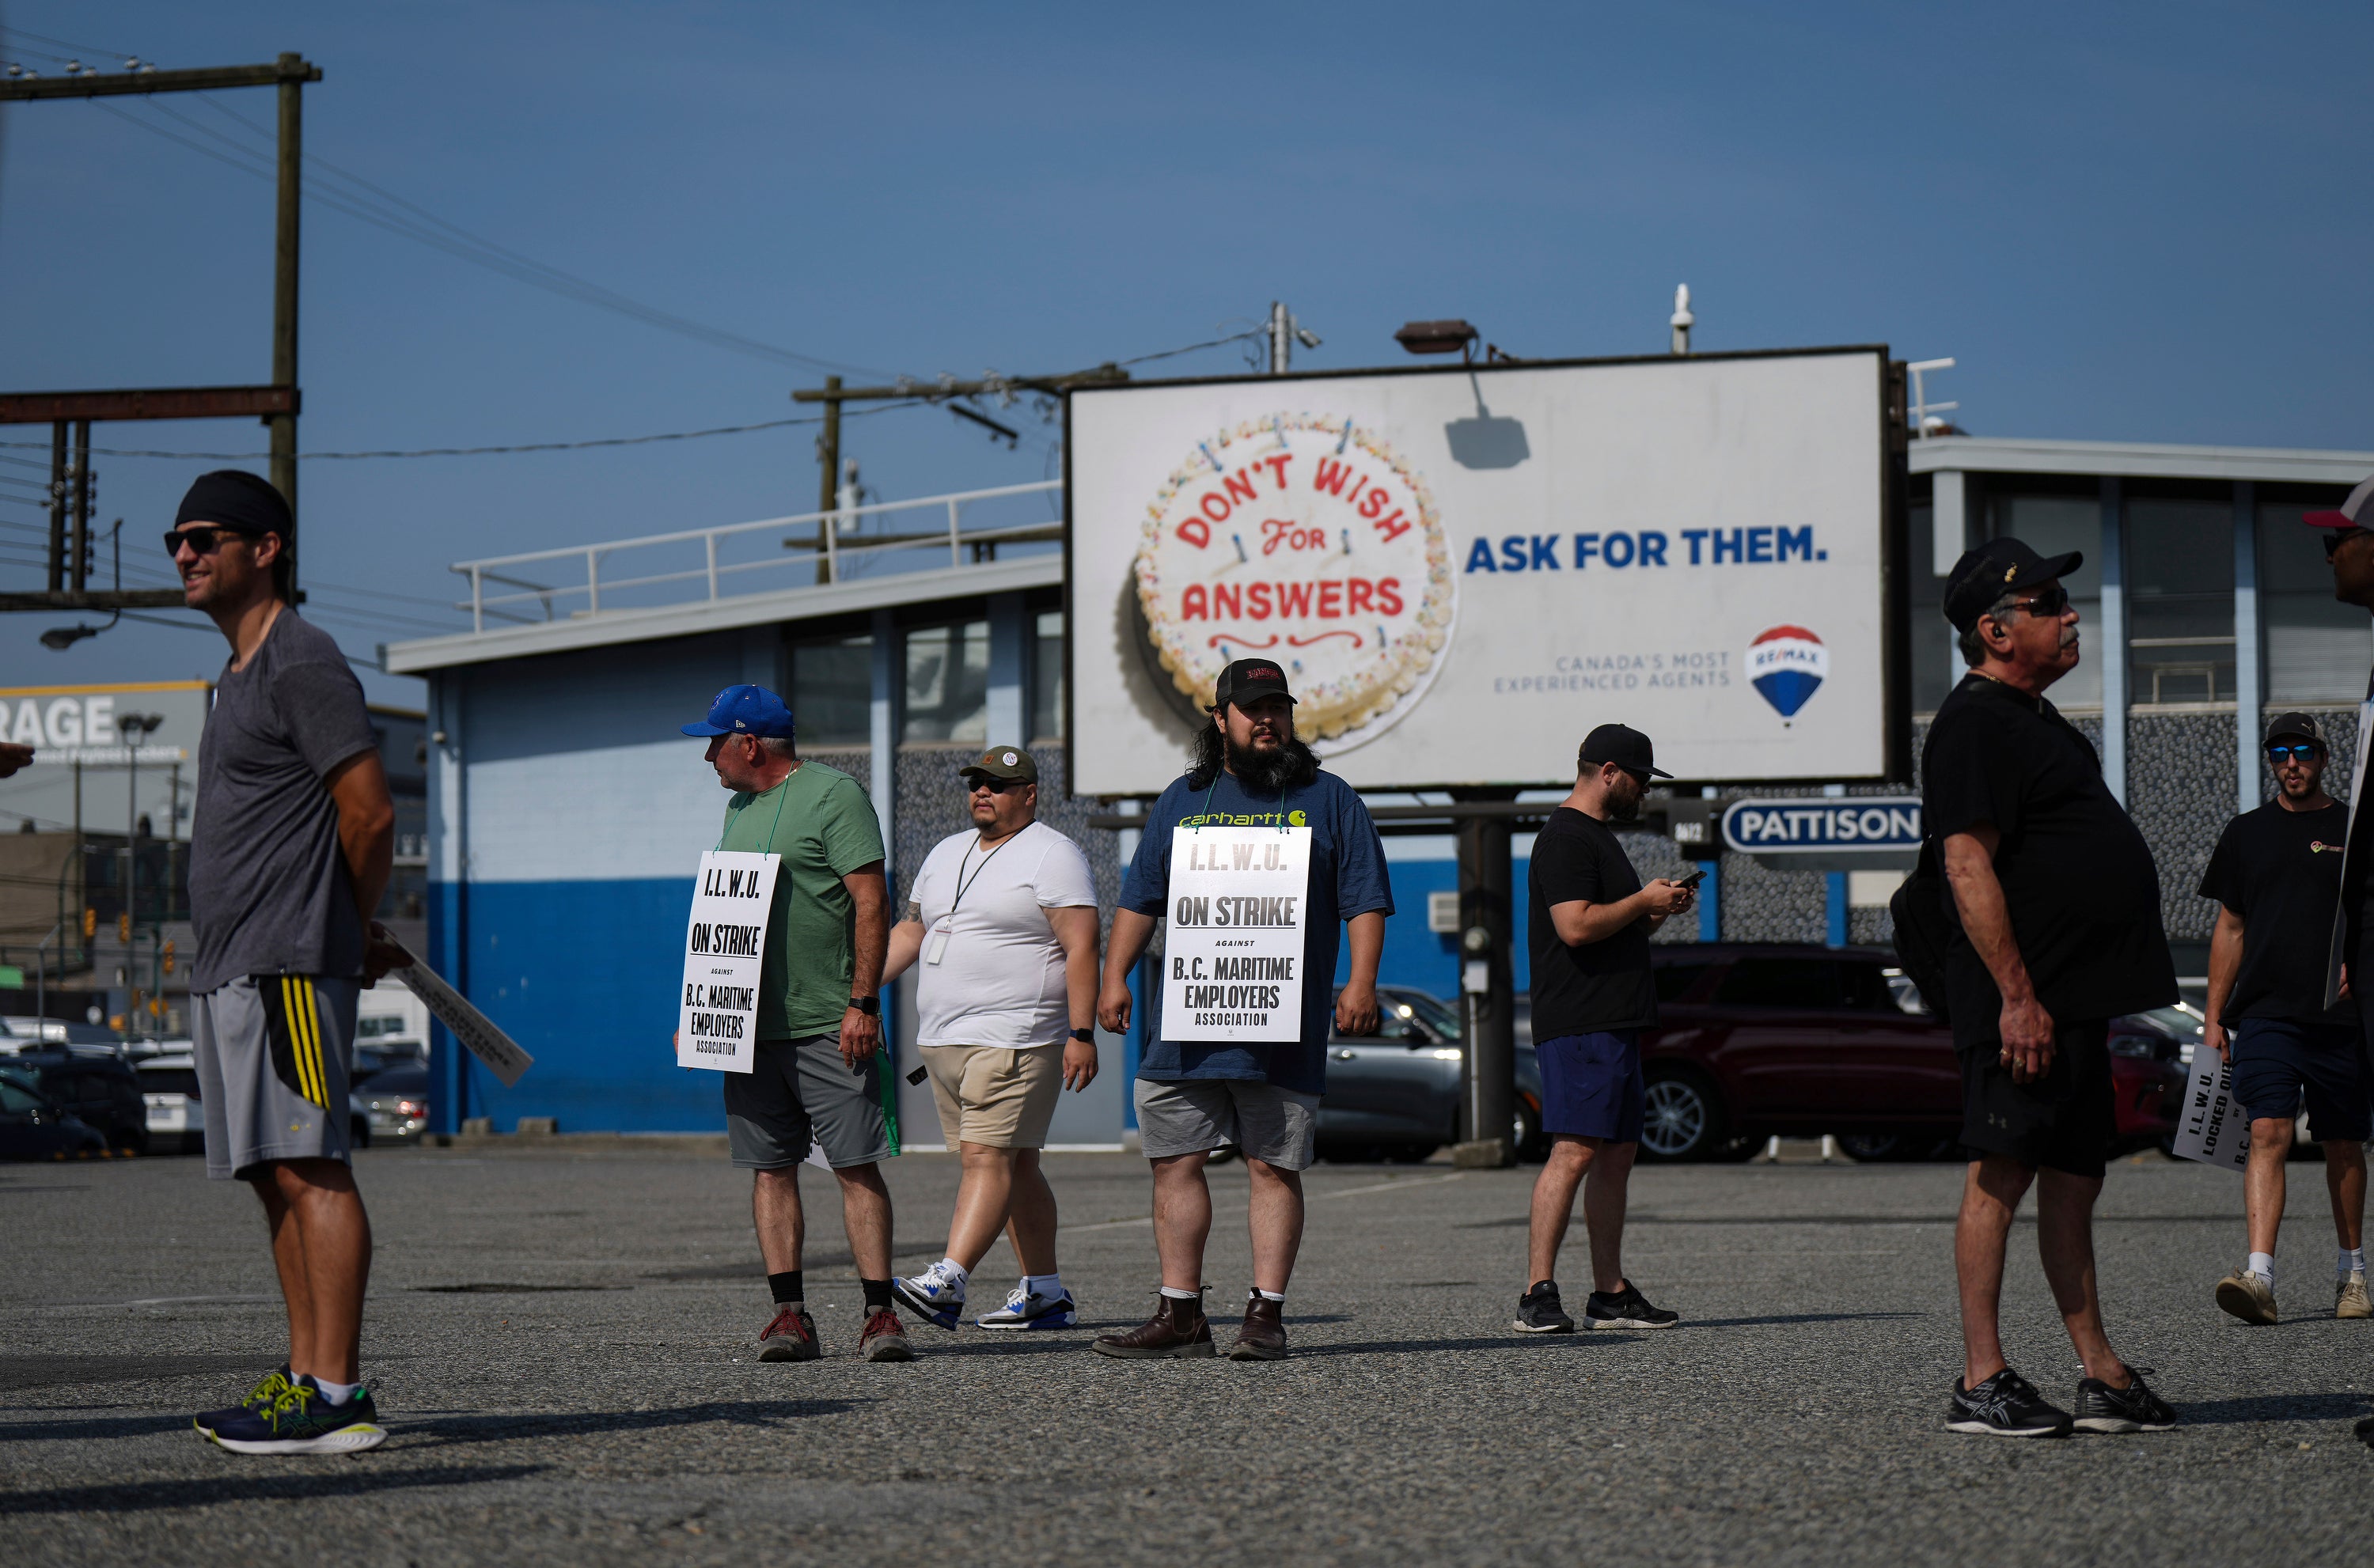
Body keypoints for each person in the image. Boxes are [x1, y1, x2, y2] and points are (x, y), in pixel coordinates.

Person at [1925, 536, 2181, 1438]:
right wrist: (2016, 997)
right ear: (1996, 630)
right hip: (2022, 1005)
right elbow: (1965, 863)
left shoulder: (2035, 719)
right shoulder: (1974, 723)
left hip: (2071, 998)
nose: (2071, 614)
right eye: (2049, 603)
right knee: (2002, 1171)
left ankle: (2101, 1372)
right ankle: (1979, 1377)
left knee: (2075, 1177)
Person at [170, 471, 402, 1455]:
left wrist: (343, 930)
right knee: (272, 1173)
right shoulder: (234, 672)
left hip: (291, 968)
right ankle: (305, 1377)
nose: (185, 553)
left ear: (267, 547)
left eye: (206, 536)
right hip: (234, 967)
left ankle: (339, 1394)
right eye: (176, 540)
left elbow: (371, 810)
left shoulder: (301, 659)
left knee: (312, 1163)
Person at [1093, 658, 1391, 1361]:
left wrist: (1361, 981)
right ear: (1220, 719)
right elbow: (1141, 899)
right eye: (1253, 709)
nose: (1268, 720)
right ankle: (1181, 1314)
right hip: (1185, 1027)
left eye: (1278, 708)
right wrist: (1114, 978)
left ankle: (1266, 1314)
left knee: (1271, 1166)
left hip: (1281, 1026)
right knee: (1174, 1163)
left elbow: (1365, 897)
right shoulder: (1183, 798)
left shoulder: (1330, 797)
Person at [680, 684, 909, 1363]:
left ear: (748, 743)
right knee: (769, 1168)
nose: (708, 758)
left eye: (714, 743)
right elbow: (725, 924)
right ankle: (790, 1317)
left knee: (854, 1165)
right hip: (749, 1028)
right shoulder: (738, 809)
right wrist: (698, 1013)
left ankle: (880, 1316)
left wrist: (862, 1002)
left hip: (827, 1020)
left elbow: (873, 904)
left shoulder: (834, 796)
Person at [884, 746, 1102, 1331]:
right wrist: (857, 990)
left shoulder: (1054, 854)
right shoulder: (944, 851)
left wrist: (1082, 1032)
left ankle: (948, 1280)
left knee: (987, 1160)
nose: (984, 792)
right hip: (945, 1040)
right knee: (1016, 1165)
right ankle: (1047, 1293)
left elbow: (1082, 945)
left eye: (999, 785)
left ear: (1028, 794)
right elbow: (912, 929)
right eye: (977, 783)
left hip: (1015, 1034)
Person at [1514, 725, 1696, 1335]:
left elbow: (1611, 926)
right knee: (1574, 1151)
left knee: (1616, 1153)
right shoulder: (1566, 837)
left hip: (1613, 1021)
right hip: (1582, 1021)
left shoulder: (1596, 838)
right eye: (1641, 779)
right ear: (1610, 771)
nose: (1644, 791)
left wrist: (1655, 912)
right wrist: (1642, 900)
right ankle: (1537, 1292)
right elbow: (1575, 926)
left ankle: (1609, 1293)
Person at [2201, 713, 2368, 1324]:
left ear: (2323, 757)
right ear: (2271, 761)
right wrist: (2214, 1018)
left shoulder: (2355, 827)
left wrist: (2362, 966)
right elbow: (2231, 926)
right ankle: (2260, 1276)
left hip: (2337, 1015)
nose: (2291, 763)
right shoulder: (2246, 834)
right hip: (2267, 1012)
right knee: (2268, 1131)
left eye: (2301, 751)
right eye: (2280, 753)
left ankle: (2352, 1274)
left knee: (2343, 1143)